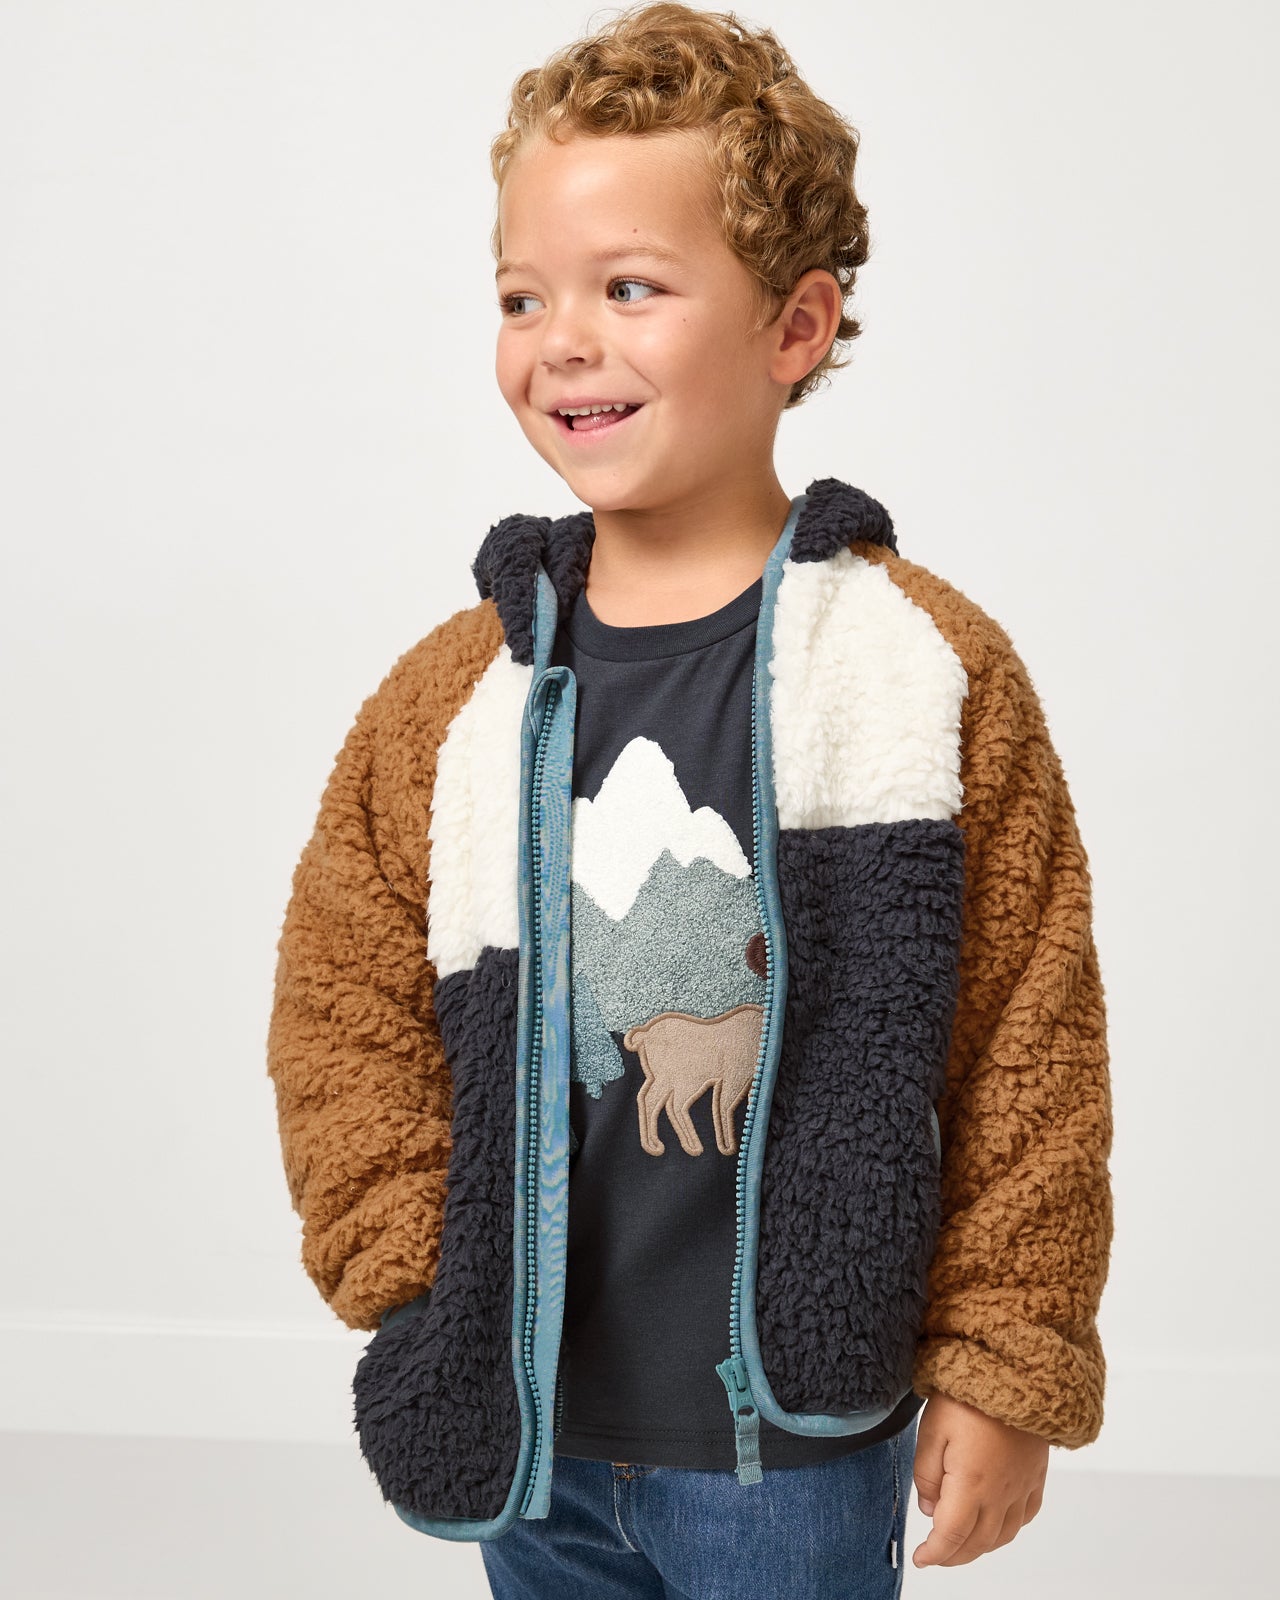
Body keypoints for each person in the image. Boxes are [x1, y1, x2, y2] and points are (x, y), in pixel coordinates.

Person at [265, 4, 1114, 1595]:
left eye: (630, 288)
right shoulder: (456, 698)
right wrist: (415, 1281)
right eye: (523, 295)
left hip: (794, 1452)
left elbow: (1032, 1042)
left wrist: (1008, 1357)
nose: (562, 339)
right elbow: (339, 1008)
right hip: (529, 1437)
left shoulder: (915, 671)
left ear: (796, 326)